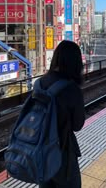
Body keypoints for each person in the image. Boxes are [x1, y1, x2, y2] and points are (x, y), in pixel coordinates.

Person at [39, 40, 85, 188]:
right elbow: (78, 125)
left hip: (41, 152)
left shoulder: (39, 83)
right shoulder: (71, 88)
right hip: (63, 153)